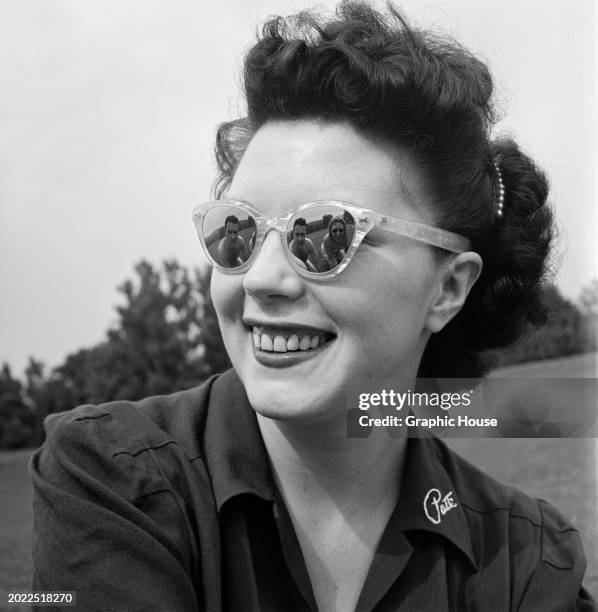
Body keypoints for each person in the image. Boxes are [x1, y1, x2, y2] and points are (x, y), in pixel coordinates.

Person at [30, 3, 596, 611]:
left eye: (326, 234)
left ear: (448, 288)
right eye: (237, 231)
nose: (262, 278)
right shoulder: (110, 477)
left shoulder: (524, 559)